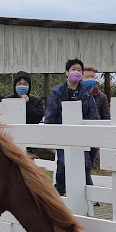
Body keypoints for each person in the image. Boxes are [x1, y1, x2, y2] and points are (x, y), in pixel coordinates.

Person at [44, 59, 99, 196]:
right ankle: (59, 192)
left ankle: (89, 194)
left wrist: (95, 136)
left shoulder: (86, 92)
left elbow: (93, 115)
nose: (77, 72)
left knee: (84, 164)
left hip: (82, 136)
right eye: (73, 69)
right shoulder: (57, 92)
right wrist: (49, 138)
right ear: (67, 72)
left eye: (79, 70)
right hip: (62, 136)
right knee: (63, 164)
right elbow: (50, 116)